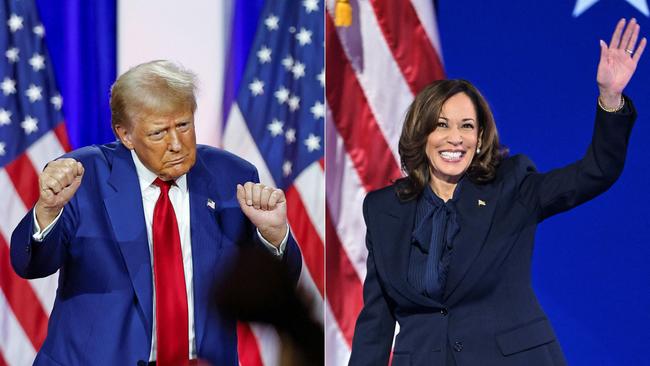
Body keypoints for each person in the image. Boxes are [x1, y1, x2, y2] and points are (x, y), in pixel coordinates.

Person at [348, 19, 645, 366]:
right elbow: (376, 321)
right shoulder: (385, 209)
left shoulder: (511, 185)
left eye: (467, 126)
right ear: (421, 134)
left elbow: (595, 172)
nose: (455, 138)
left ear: (479, 139)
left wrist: (610, 99)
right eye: (441, 125)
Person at [10, 60, 302, 366]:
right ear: (125, 135)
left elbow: (274, 291)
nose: (176, 144)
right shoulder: (84, 177)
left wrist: (273, 236)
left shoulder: (232, 176)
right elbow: (30, 264)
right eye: (159, 133)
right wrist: (47, 210)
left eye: (184, 125)